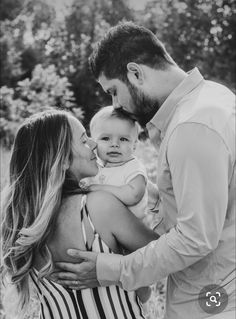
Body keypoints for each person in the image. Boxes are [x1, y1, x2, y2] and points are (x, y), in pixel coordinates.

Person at [51, 22, 236, 319]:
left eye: (114, 91)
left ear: (136, 73)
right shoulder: (212, 98)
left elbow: (196, 238)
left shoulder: (193, 126)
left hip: (214, 301)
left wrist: (110, 269)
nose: (116, 106)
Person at [1, 109, 158, 319]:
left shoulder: (24, 222)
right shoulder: (98, 205)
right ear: (64, 160)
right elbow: (166, 254)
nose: (94, 143)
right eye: (84, 140)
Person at [84, 105, 152, 302]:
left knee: (136, 266)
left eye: (123, 139)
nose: (114, 144)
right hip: (108, 233)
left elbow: (133, 195)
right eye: (105, 139)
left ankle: (142, 291)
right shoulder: (97, 167)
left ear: (135, 145)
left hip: (132, 229)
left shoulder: (133, 167)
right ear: (93, 143)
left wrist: (99, 189)